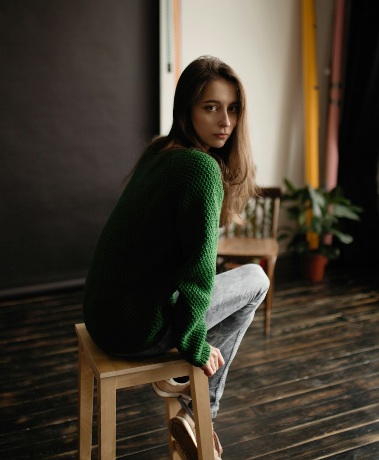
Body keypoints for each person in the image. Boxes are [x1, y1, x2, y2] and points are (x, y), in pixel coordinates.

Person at [83, 56, 269, 459]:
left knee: (238, 278)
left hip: (105, 317)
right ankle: (197, 413)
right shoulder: (199, 167)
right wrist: (195, 345)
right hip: (136, 330)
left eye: (233, 108)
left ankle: (186, 391)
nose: (226, 121)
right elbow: (199, 275)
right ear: (187, 109)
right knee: (256, 279)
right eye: (211, 107)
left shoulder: (159, 151)